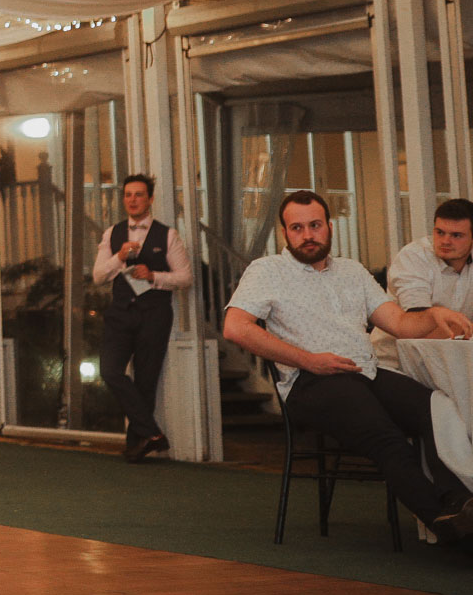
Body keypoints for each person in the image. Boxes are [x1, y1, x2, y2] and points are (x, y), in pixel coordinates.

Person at [223, 191, 473, 544]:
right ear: (284, 233)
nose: (307, 234)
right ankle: (450, 529)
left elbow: (400, 324)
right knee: (387, 437)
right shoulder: (268, 270)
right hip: (310, 381)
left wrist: (434, 314)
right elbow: (235, 327)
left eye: (315, 225)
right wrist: (308, 359)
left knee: (439, 407)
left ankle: (458, 501)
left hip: (363, 372)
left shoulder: (352, 271)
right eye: (297, 228)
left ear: (329, 227)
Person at [91, 174, 193, 463]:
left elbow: (186, 278)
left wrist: (155, 276)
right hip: (120, 314)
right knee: (110, 371)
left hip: (155, 314)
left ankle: (138, 445)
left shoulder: (168, 235)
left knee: (146, 381)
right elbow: (98, 276)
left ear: (149, 199)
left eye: (138, 194)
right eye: (128, 195)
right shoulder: (112, 234)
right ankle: (153, 434)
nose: (133, 200)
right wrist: (119, 258)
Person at [387, 198, 473, 328]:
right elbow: (418, 322)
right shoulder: (413, 256)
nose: (445, 241)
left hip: (460, 346)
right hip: (402, 347)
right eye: (440, 232)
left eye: (456, 235)